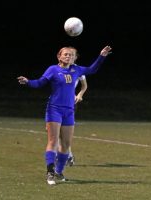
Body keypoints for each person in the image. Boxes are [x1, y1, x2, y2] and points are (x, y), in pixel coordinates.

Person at [17, 45, 112, 185]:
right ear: (59, 56)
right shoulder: (53, 69)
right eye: (66, 54)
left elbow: (92, 69)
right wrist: (28, 82)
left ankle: (59, 172)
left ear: (75, 58)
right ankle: (50, 172)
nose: (69, 57)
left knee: (66, 144)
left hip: (69, 110)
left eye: (72, 55)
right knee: (53, 141)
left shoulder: (76, 69)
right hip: (54, 109)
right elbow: (39, 83)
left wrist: (102, 56)